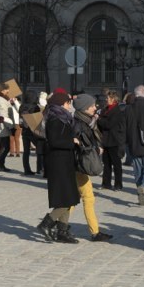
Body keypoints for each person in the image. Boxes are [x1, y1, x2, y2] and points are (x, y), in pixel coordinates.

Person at [37, 91, 80, 243]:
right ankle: (46, 223)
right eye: (69, 103)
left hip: (65, 161)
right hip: (58, 162)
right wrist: (72, 142)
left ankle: (62, 231)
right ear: (62, 104)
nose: (71, 106)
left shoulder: (64, 118)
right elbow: (55, 142)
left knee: (68, 198)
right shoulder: (55, 119)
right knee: (67, 198)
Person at [71, 94, 112, 241]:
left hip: (78, 166)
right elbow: (78, 147)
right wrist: (95, 150)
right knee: (88, 198)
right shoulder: (79, 124)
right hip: (79, 166)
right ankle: (94, 232)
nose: (95, 108)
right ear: (85, 108)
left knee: (74, 198)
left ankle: (58, 223)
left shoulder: (85, 121)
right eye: (92, 106)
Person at [97, 90, 125, 190]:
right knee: (106, 163)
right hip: (106, 140)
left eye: (108, 98)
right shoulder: (106, 109)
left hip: (115, 140)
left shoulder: (118, 110)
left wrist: (99, 120)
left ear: (113, 99)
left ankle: (118, 184)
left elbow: (109, 124)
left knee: (116, 164)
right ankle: (106, 183)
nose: (106, 100)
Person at [0, 84, 12, 172]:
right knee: (5, 147)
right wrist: (10, 126)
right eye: (7, 89)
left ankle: (0, 164)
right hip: (3, 126)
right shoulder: (1, 100)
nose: (8, 91)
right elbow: (3, 115)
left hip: (1, 125)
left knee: (4, 147)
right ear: (3, 91)